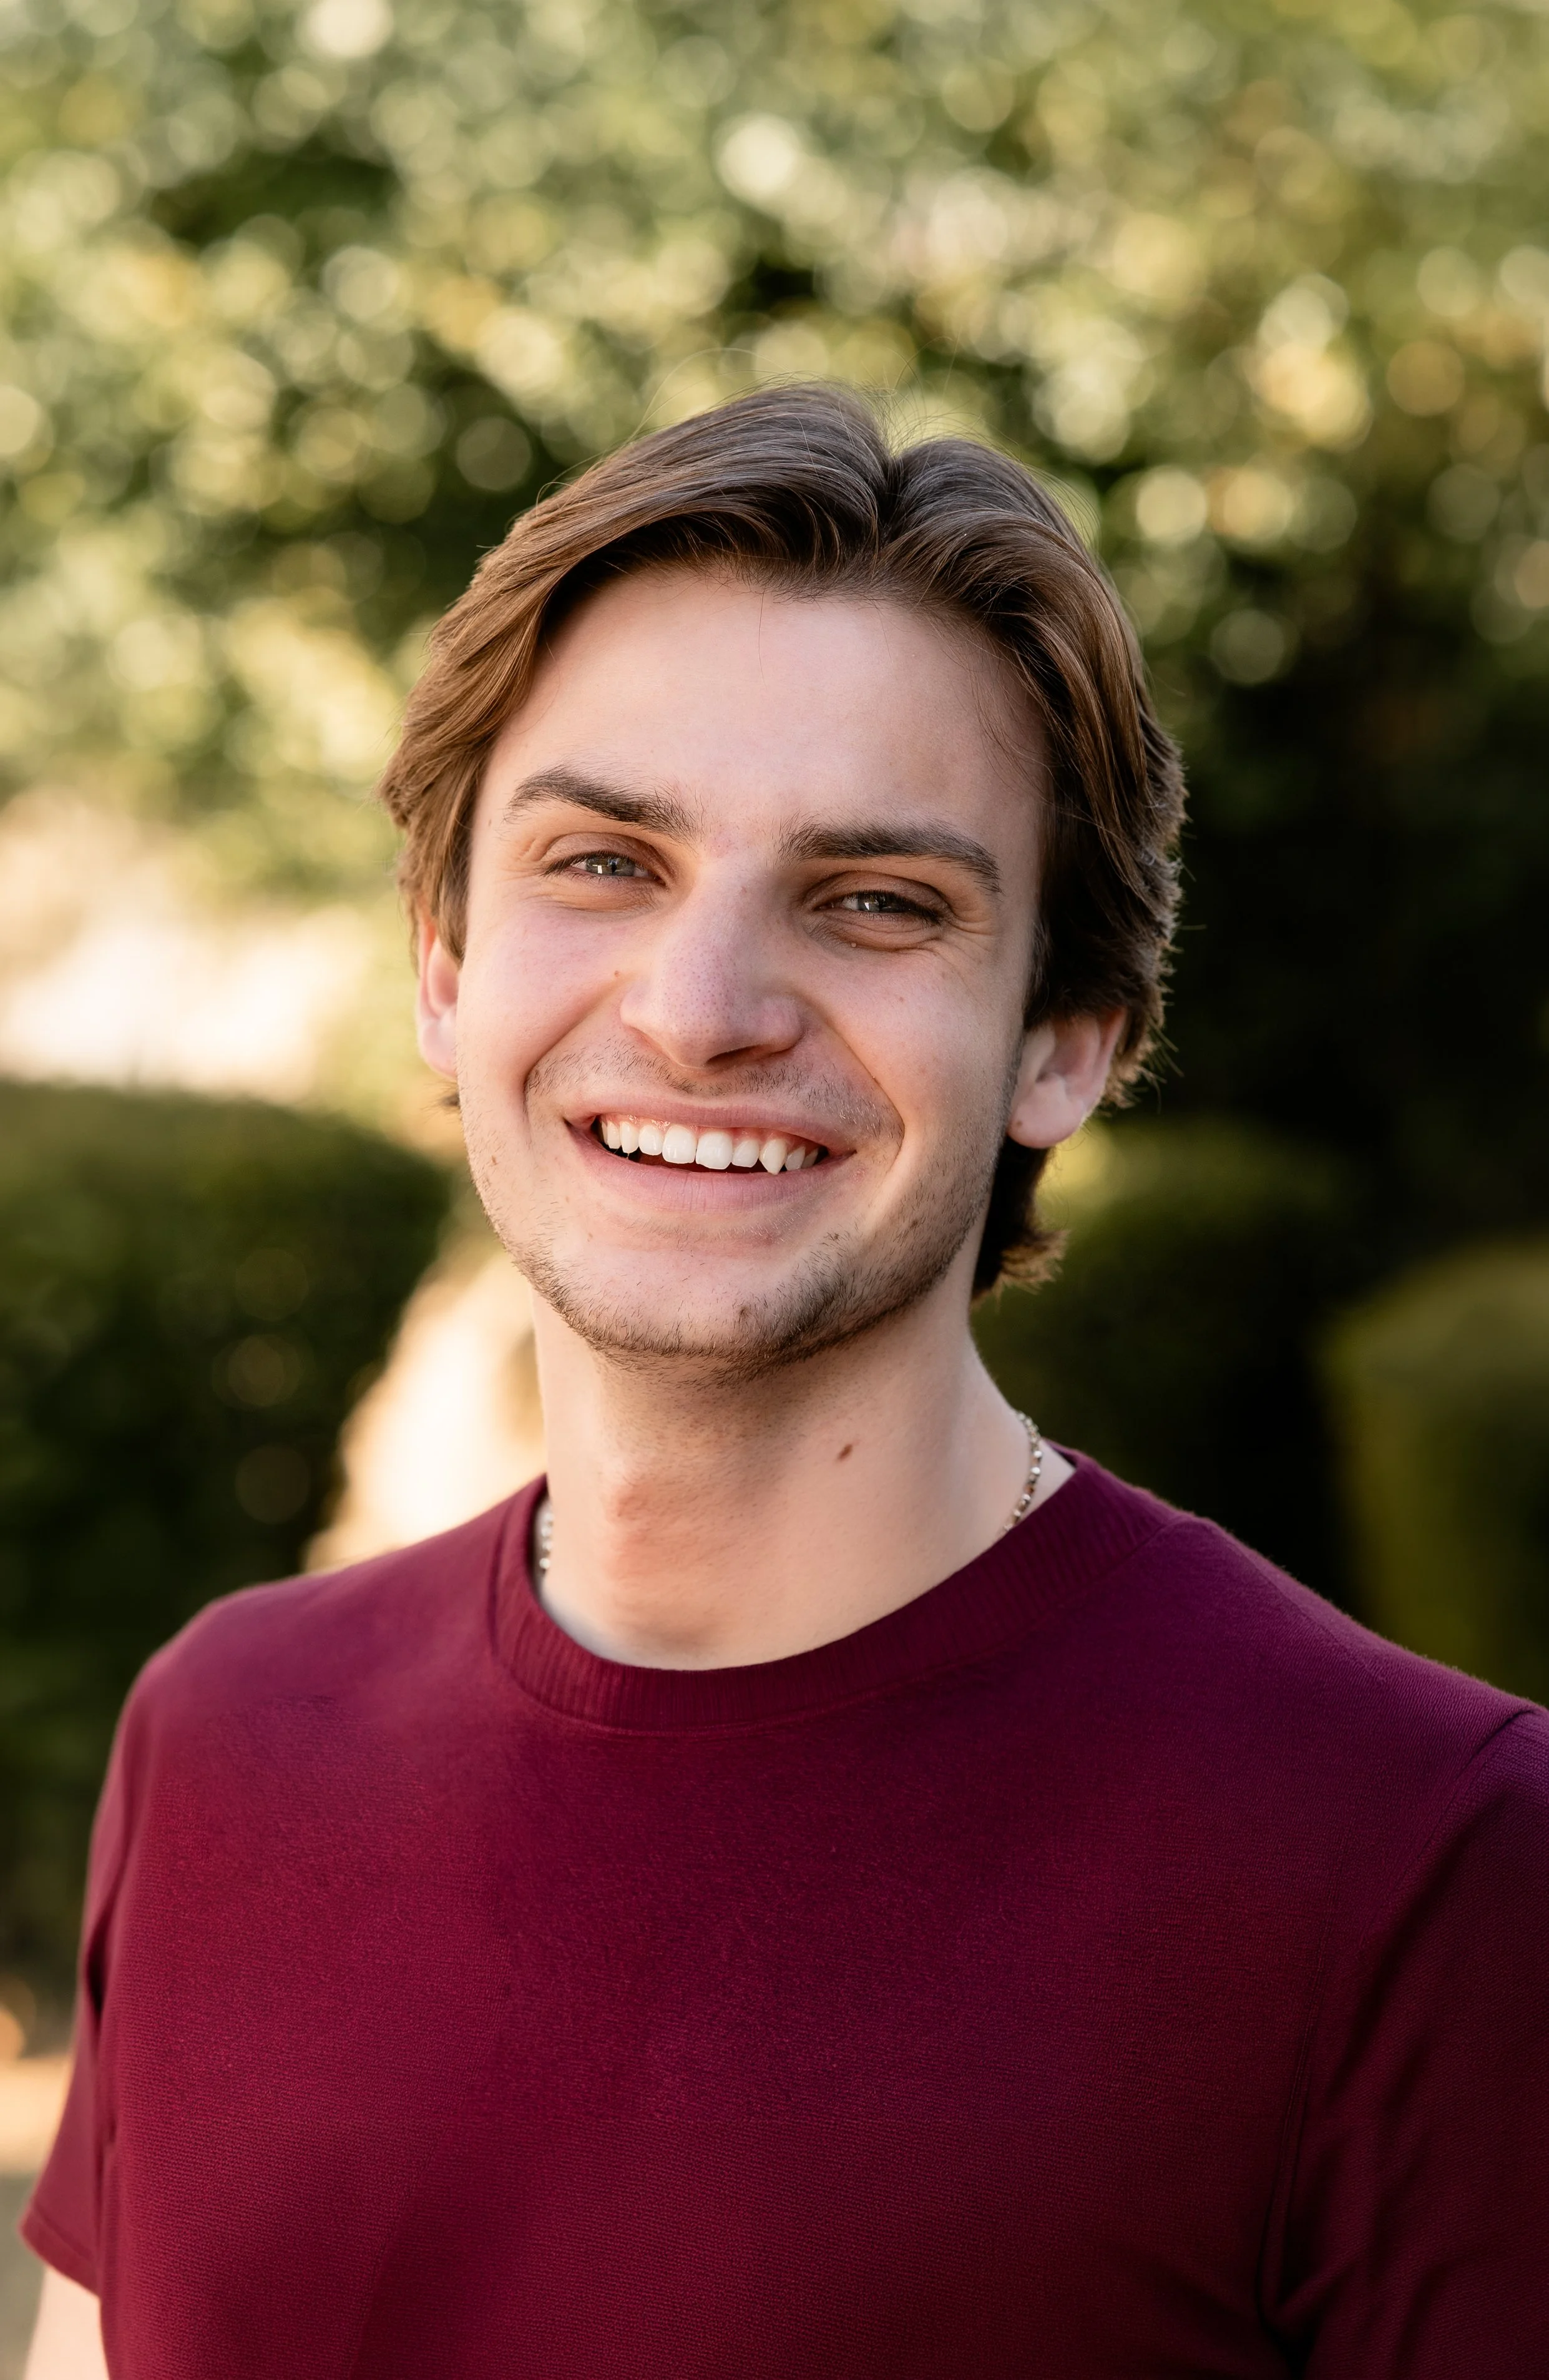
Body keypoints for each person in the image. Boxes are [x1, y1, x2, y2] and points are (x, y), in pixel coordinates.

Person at [21, 384, 1549, 2379]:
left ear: (1068, 1041)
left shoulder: (1428, 1864)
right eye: (602, 861)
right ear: (446, 959)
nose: (702, 1006)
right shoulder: (223, 1734)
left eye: (878, 902)